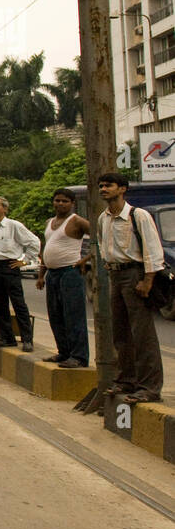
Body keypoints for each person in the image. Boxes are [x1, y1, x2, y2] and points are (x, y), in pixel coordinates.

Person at [96, 173, 164, 403]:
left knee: (142, 334)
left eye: (109, 186)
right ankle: (127, 380)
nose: (104, 189)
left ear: (122, 189)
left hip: (135, 274)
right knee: (121, 332)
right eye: (102, 186)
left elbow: (153, 250)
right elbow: (102, 246)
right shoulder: (103, 219)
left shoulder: (138, 216)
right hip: (115, 274)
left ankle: (150, 387)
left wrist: (147, 281)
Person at [36, 187, 91, 368]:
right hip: (52, 274)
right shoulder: (49, 222)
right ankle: (64, 352)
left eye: (65, 201)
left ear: (72, 204)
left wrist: (85, 259)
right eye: (57, 200)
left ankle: (79, 356)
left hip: (70, 272)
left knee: (73, 315)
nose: (60, 204)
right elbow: (45, 248)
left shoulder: (77, 221)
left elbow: (101, 239)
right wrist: (41, 274)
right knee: (56, 315)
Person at [0, 195, 39, 352]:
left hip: (9, 265)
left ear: (4, 208)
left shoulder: (13, 225)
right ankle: (7, 338)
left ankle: (27, 339)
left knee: (18, 303)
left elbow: (34, 242)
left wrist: (24, 261)